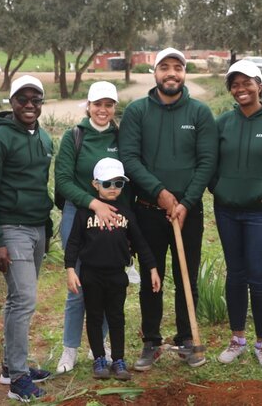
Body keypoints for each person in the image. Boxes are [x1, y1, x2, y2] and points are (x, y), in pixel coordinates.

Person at [119, 47, 218, 370]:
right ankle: (151, 340)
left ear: (184, 73)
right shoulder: (136, 112)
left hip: (187, 212)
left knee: (186, 273)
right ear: (155, 72)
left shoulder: (200, 113)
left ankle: (187, 337)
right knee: (153, 275)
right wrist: (161, 193)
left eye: (178, 67)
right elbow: (130, 159)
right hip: (148, 209)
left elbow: (207, 162)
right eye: (165, 67)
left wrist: (186, 202)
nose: (171, 73)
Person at [211, 60, 262, 369]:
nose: (240, 89)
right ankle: (237, 339)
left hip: (260, 213)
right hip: (227, 211)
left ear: (260, 85)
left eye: (247, 83)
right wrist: (216, 188)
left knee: (258, 277)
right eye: (235, 84)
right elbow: (208, 161)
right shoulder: (222, 123)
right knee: (235, 275)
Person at [0, 74, 55, 401]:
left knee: (16, 299)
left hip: (37, 228)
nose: (29, 105)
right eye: (22, 99)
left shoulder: (45, 139)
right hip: (12, 229)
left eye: (35, 99)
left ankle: (11, 367)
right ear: (11, 102)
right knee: (24, 300)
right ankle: (19, 381)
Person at [64, 158, 161, 381]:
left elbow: (140, 243)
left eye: (118, 184)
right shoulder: (84, 213)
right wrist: (70, 269)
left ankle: (118, 359)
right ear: (95, 184)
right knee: (95, 316)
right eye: (107, 184)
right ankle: (99, 358)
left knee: (117, 317)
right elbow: (73, 244)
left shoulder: (126, 214)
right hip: (91, 274)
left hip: (117, 275)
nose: (113, 189)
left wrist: (153, 268)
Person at [54, 81, 123, 374]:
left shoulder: (121, 137)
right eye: (97, 104)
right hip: (79, 212)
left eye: (108, 105)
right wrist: (93, 204)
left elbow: (125, 176)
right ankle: (70, 348)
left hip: (112, 213)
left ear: (114, 108)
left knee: (107, 280)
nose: (103, 110)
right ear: (89, 105)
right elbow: (63, 179)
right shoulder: (75, 136)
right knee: (78, 285)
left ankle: (103, 346)